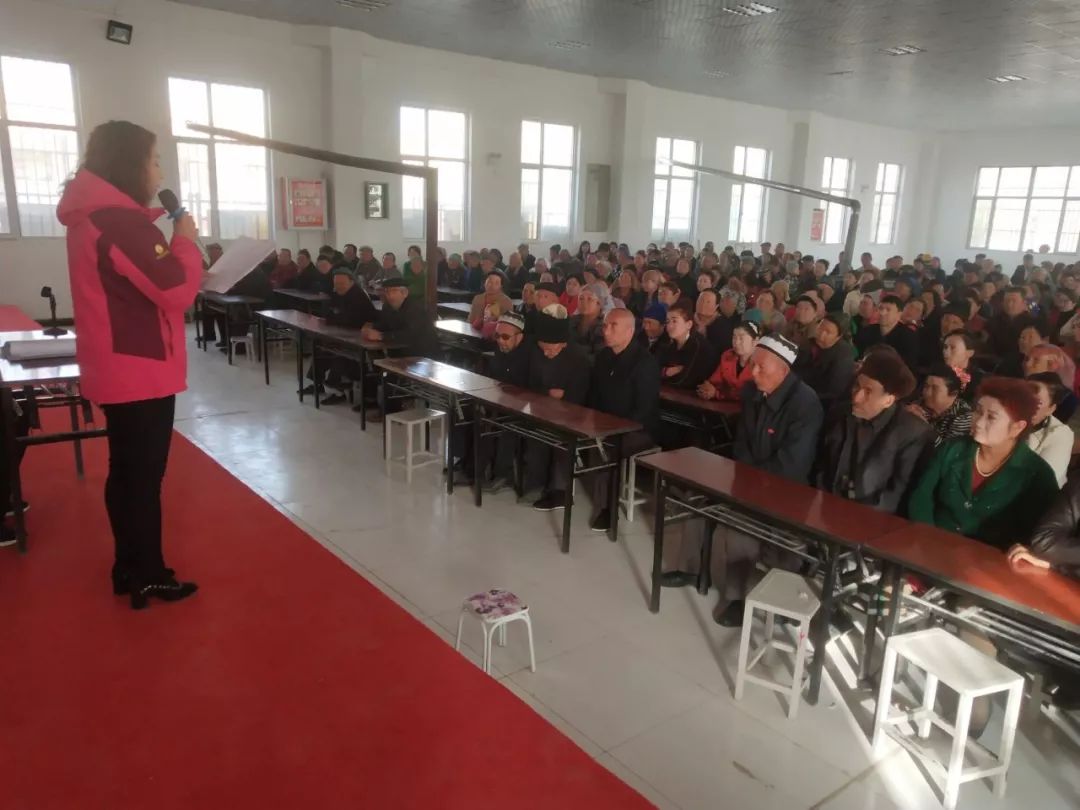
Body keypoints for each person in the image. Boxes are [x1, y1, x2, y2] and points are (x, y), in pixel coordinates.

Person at [57, 120, 202, 608]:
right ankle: (149, 573)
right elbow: (176, 289)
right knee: (143, 479)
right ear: (131, 163)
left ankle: (127, 566)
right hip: (139, 367)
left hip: (117, 364)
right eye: (155, 160)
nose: (159, 168)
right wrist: (183, 238)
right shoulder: (119, 223)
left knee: (125, 473)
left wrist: (155, 223)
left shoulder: (94, 216)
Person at [665, 335, 824, 626]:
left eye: (762, 368)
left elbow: (792, 463)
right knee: (695, 495)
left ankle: (753, 599)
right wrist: (746, 479)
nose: (753, 373)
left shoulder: (805, 403)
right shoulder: (752, 392)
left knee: (742, 532)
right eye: (753, 365)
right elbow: (742, 443)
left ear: (784, 371)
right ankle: (699, 574)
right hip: (748, 476)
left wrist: (753, 483)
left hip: (787, 489)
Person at [908, 377, 1059, 548]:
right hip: (931, 543)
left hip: (987, 561)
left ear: (1017, 427)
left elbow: (1033, 535)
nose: (979, 422)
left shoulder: (1036, 475)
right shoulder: (953, 448)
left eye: (991, 417)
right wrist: (927, 537)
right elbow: (922, 496)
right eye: (978, 411)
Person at [816, 347, 933, 513]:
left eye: (868, 392)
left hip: (871, 521)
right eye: (857, 386)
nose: (856, 397)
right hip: (825, 508)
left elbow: (895, 497)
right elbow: (821, 467)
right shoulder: (840, 413)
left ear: (888, 400)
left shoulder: (912, 433)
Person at [586, 309, 661, 531]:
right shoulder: (604, 356)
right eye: (605, 325)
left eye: (612, 326)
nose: (605, 330)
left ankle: (606, 511)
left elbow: (644, 410)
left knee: (608, 450)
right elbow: (595, 396)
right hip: (606, 424)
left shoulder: (644, 363)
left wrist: (614, 429)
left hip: (638, 430)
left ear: (629, 331)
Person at [525, 305, 591, 510]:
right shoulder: (536, 352)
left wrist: (562, 397)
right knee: (532, 432)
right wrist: (548, 394)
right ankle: (536, 483)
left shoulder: (579, 358)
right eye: (543, 347)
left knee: (560, 438)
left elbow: (581, 395)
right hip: (543, 408)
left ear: (563, 344)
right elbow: (531, 383)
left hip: (572, 413)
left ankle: (560, 492)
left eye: (551, 349)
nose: (547, 352)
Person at [478, 312, 532, 492]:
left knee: (507, 426)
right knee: (471, 415)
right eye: (498, 335)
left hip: (525, 407)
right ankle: (472, 469)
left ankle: (503, 475)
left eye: (506, 337)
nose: (501, 340)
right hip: (500, 401)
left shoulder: (530, 355)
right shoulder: (499, 351)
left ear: (520, 337)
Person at [309, 268, 379, 404]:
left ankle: (337, 390)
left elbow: (350, 320)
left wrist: (335, 317)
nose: (338, 286)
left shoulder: (358, 296)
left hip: (358, 337)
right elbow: (329, 314)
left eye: (342, 283)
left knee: (339, 355)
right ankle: (317, 384)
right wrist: (334, 317)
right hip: (342, 333)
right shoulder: (337, 293)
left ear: (352, 282)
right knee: (319, 347)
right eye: (336, 283)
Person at [361, 277, 438, 358]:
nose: (390, 295)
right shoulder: (387, 307)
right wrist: (372, 327)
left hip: (422, 354)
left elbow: (411, 334)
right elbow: (386, 324)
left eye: (394, 291)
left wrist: (381, 336)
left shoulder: (415, 308)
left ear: (405, 293)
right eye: (387, 292)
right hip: (400, 351)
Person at [905, 364, 974, 447]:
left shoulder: (963, 416)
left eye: (935, 389)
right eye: (926, 386)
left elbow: (947, 451)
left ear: (954, 394)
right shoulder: (920, 402)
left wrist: (924, 426)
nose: (927, 392)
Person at [1025, 371, 1073, 488]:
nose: (1025, 403)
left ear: (1051, 409)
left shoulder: (1060, 434)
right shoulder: (1005, 418)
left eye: (1037, 402)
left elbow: (1044, 484)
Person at [800, 312, 856, 411]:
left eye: (828, 332)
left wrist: (802, 393)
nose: (821, 334)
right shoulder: (810, 342)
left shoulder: (843, 356)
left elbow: (834, 391)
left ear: (838, 337)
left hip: (823, 403)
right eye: (820, 328)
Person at [658, 300, 716, 389]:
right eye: (668, 321)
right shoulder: (668, 342)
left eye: (674, 321)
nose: (669, 326)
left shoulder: (700, 346)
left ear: (689, 324)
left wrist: (665, 374)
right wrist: (666, 372)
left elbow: (685, 381)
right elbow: (651, 370)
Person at [697, 321, 759, 402]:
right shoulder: (727, 355)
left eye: (741, 338)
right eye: (734, 337)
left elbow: (751, 395)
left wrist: (717, 394)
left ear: (755, 341)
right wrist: (707, 388)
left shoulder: (761, 363)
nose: (736, 342)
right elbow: (714, 381)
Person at [855, 295, 919, 370]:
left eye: (888, 310)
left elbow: (907, 366)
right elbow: (858, 356)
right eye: (880, 308)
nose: (882, 313)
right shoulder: (866, 331)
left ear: (899, 314)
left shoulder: (909, 336)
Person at [694, 288, 740, 355]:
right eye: (701, 300)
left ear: (716, 306)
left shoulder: (723, 326)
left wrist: (701, 336)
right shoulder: (689, 318)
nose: (703, 304)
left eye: (708, 302)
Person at [569, 284, 607, 358]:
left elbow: (599, 356)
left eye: (590, 299)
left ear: (599, 303)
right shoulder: (572, 321)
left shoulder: (605, 326)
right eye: (581, 298)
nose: (584, 302)